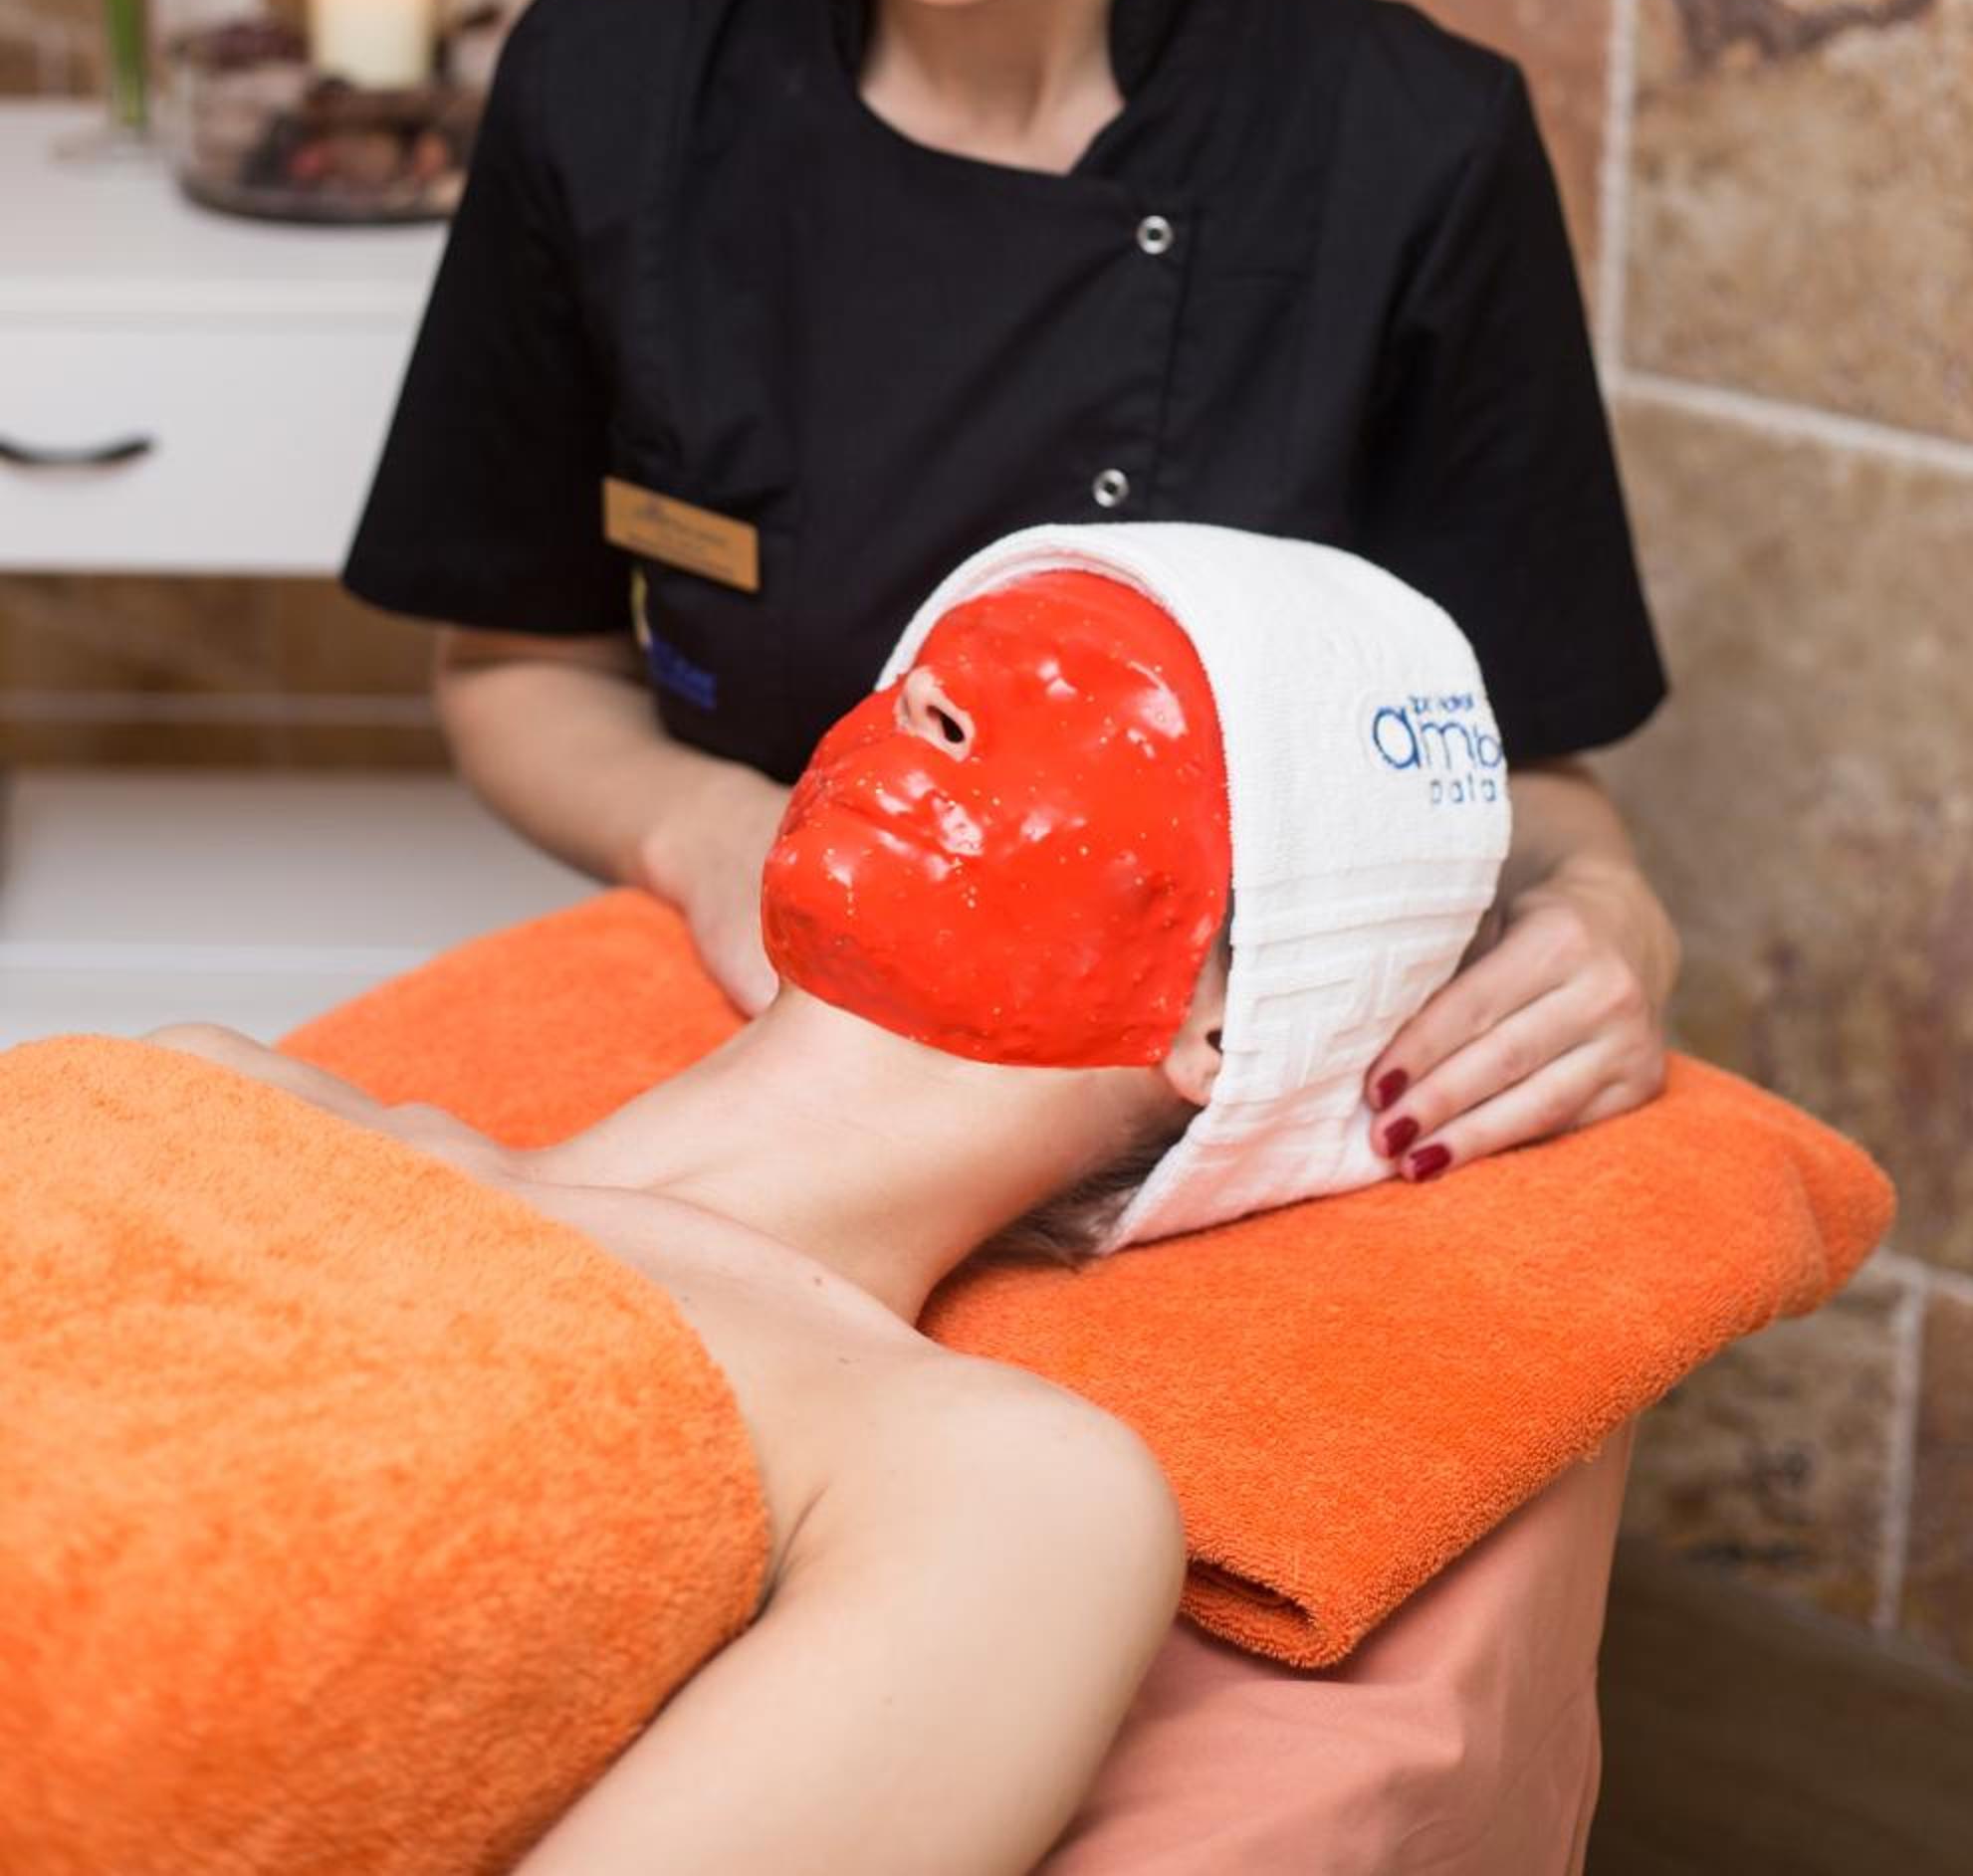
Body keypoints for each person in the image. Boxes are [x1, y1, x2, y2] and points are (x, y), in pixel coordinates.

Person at [341, 0, 1674, 1858]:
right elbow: (511, 667)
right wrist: (710, 837)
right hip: (745, 1059)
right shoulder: (611, 93)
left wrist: (1615, 921)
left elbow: (1526, 773)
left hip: (1210, 1215)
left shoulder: (1401, 151)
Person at [139, 530, 1510, 1876]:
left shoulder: (1001, 1490)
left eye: (1084, 690)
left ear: (1229, 1019)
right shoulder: (211, 1090)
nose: (925, 697)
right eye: (936, 662)